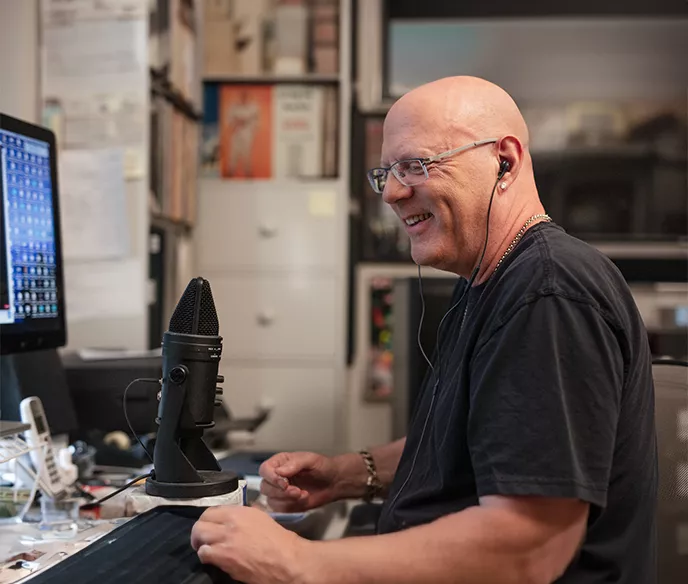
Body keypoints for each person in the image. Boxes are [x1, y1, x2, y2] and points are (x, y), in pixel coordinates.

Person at [191, 76, 657, 583]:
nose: (392, 192)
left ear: (505, 160)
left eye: (416, 165)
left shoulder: (546, 293)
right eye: (387, 172)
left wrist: (296, 562)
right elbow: (482, 443)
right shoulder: (488, 279)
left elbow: (531, 545)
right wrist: (347, 475)